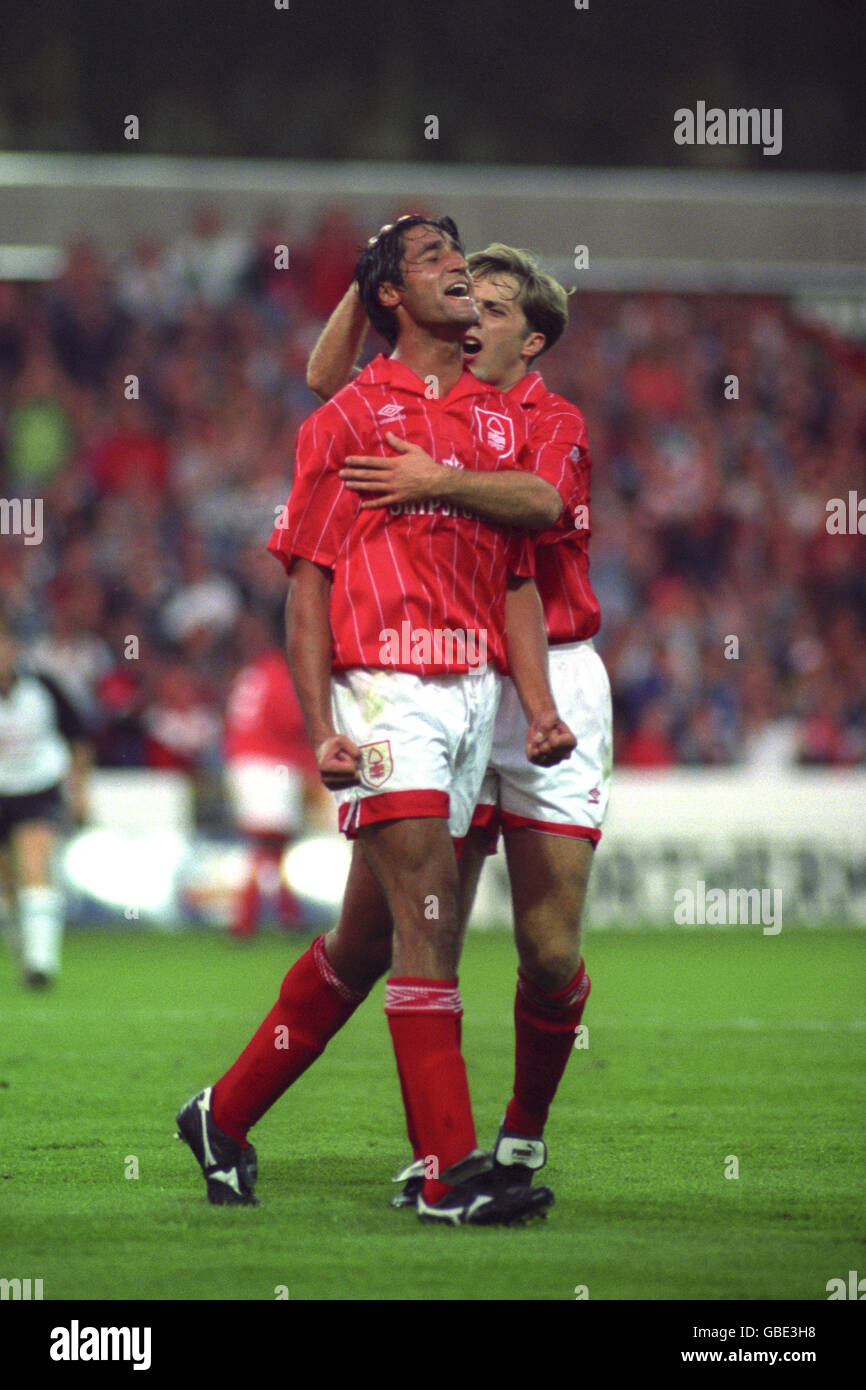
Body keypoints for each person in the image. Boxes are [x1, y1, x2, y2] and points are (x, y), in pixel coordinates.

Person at [176, 216, 576, 1226]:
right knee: (429, 918)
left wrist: (532, 705)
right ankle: (445, 1170)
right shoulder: (347, 418)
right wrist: (320, 723)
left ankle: (220, 1115)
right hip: (386, 688)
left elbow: (522, 572)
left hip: (475, 694)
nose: (460, 270)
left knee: (361, 946)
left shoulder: (496, 420)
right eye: (434, 261)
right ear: (390, 297)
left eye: (460, 255)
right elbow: (304, 589)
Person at [308, 239, 612, 1205]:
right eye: (462, 292)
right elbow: (325, 379)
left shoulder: (545, 420)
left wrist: (434, 479)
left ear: (533, 338)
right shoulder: (433, 402)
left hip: (553, 676)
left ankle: (519, 1135)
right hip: (456, 676)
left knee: (549, 950)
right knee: (425, 921)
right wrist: (370, 276)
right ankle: (448, 1155)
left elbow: (542, 503)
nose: (473, 311)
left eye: (491, 302)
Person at [0, 613, 91, 988]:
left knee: (36, 861)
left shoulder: (45, 687)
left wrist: (80, 788)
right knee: (6, 885)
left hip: (38, 787)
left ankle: (41, 964)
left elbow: (78, 737)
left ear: (15, 648)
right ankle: (21, 940)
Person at [222, 609, 319, 938]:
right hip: (270, 764)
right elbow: (293, 723)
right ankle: (248, 919)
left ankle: (284, 914)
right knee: (268, 844)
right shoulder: (279, 674)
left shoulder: (253, 672)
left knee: (270, 845)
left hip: (244, 761)